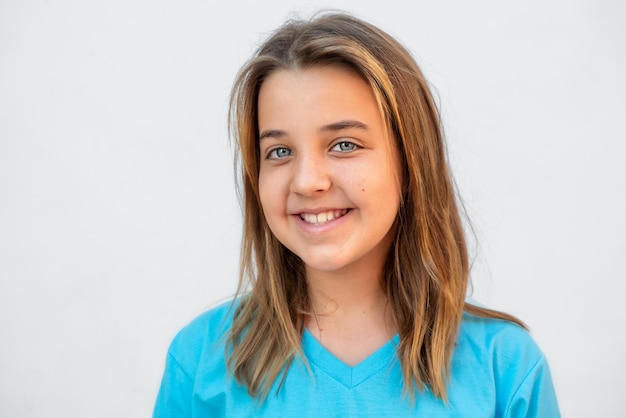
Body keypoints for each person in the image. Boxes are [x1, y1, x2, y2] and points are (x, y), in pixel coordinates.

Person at [153, 11, 560, 417]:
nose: (307, 181)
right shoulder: (199, 360)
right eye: (280, 152)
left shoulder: (505, 369)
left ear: (411, 161)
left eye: (344, 145)